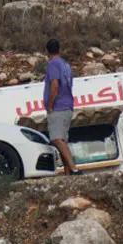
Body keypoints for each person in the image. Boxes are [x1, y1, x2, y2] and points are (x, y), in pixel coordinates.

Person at [43, 39, 82, 175]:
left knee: (56, 139)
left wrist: (50, 105)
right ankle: (68, 173)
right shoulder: (66, 65)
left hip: (58, 107)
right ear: (59, 49)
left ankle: (74, 168)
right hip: (68, 105)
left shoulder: (52, 64)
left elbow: (54, 85)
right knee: (63, 140)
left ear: (47, 51)